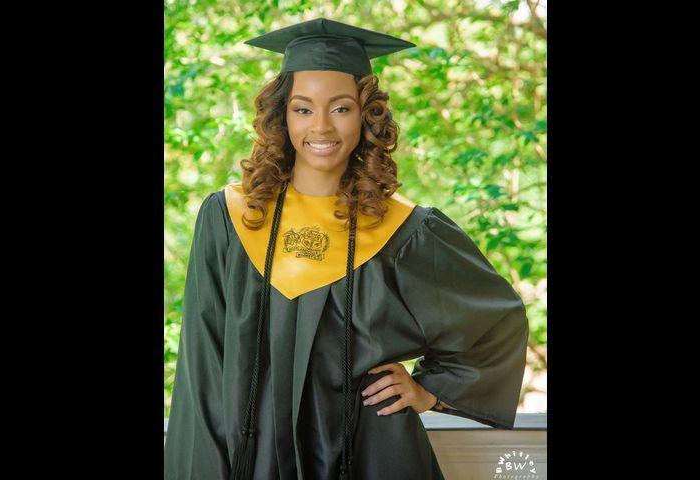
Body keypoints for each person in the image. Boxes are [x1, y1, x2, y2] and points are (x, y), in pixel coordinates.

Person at [164, 17, 530, 480]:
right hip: (250, 458)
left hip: (369, 454)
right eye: (302, 109)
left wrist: (428, 390)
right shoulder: (229, 218)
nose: (321, 126)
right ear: (281, 117)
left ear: (367, 116)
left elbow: (496, 321)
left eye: (341, 108)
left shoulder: (404, 230)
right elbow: (201, 368)